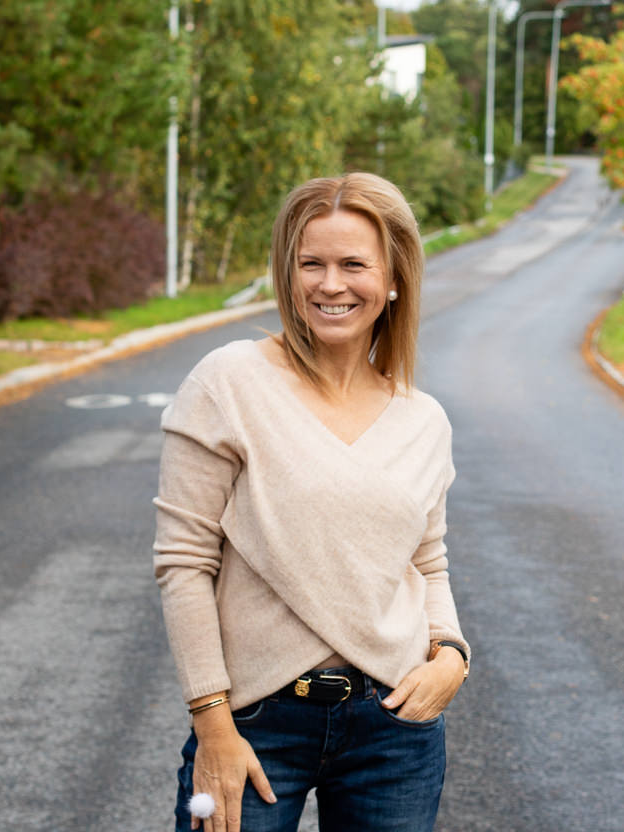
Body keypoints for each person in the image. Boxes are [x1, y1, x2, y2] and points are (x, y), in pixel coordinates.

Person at [153, 172, 471, 832]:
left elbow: (427, 565)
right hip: (254, 724)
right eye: (311, 264)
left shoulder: (424, 420)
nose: (330, 285)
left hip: (394, 733)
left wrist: (452, 657)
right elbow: (185, 564)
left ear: (392, 280)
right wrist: (212, 725)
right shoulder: (229, 382)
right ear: (289, 274)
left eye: (353, 264)